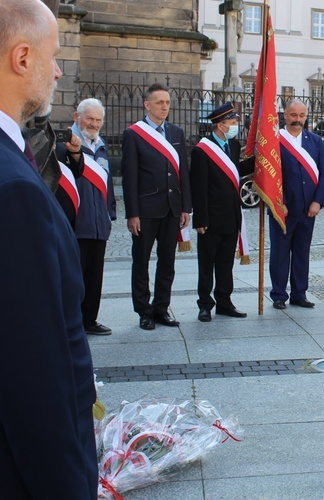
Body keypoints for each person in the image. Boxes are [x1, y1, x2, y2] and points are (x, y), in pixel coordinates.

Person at [0, 0, 98, 496]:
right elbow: (32, 375)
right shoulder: (12, 186)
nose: (58, 70)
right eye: (53, 55)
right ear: (22, 59)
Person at [121, 82, 191, 329]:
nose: (164, 107)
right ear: (147, 104)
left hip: (172, 209)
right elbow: (129, 178)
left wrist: (186, 207)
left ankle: (162, 308)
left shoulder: (176, 133)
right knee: (141, 262)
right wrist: (133, 213)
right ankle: (144, 311)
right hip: (146, 209)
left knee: (167, 262)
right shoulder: (134, 134)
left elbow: (183, 172)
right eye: (159, 102)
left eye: (167, 103)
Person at [56, 98, 117, 335]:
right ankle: (72, 321)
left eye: (98, 119)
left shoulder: (101, 146)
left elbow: (108, 183)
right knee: (74, 276)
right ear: (76, 117)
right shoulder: (62, 146)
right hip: (75, 222)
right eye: (89, 118)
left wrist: (109, 212)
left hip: (98, 222)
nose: (93, 123)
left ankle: (89, 320)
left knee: (94, 276)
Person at [191, 102, 253, 322]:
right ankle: (205, 304)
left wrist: (259, 160)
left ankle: (225, 302)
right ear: (220, 125)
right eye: (233, 122)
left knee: (226, 264)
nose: (236, 125)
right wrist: (200, 218)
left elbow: (236, 170)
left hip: (231, 216)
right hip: (211, 218)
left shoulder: (233, 145)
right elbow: (198, 187)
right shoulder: (202, 150)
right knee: (207, 264)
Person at [270, 99, 324, 309]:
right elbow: (270, 175)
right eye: (293, 115)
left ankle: (299, 293)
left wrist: (317, 202)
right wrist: (279, 203)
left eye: (301, 115)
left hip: (307, 209)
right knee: (280, 253)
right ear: (284, 115)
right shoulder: (275, 141)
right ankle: (278, 294)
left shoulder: (315, 141)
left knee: (302, 252)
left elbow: (323, 174)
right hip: (283, 209)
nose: (297, 120)